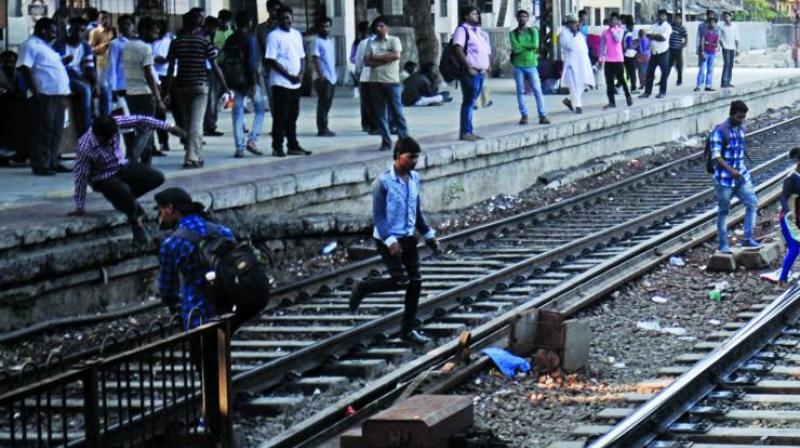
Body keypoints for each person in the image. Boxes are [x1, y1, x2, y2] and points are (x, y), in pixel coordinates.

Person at [349, 137, 440, 345]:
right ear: (398, 156)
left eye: (416, 158)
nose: (414, 162)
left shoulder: (415, 178)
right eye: (410, 158)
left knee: (415, 283)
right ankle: (362, 288)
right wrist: (390, 240)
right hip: (386, 239)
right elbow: (378, 216)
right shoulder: (382, 182)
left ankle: (407, 331)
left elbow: (416, 212)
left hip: (408, 238)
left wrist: (428, 236)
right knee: (401, 280)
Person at [69, 115, 186, 243]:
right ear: (98, 135)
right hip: (101, 177)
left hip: (122, 166)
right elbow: (81, 176)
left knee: (157, 177)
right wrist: (79, 205)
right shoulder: (85, 146)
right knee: (121, 188)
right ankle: (136, 220)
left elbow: (141, 120)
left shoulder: (115, 123)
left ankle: (124, 200)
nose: (110, 142)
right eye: (106, 140)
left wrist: (169, 127)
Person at [156, 187, 235, 327]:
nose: (160, 216)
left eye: (160, 210)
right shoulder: (222, 231)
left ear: (170, 208)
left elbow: (167, 288)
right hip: (228, 307)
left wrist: (173, 304)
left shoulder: (172, 243)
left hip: (197, 314)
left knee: (200, 347)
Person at [164, 10, 232, 169]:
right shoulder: (204, 42)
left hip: (182, 86)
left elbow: (170, 68)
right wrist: (226, 86)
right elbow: (215, 67)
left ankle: (194, 153)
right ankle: (192, 158)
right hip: (200, 86)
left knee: (188, 122)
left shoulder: (176, 42)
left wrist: (166, 91)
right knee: (196, 123)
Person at [17, 17, 71, 176]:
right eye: (52, 31)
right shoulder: (30, 45)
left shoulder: (46, 47)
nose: (54, 34)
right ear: (43, 30)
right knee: (43, 131)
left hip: (58, 94)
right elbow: (24, 69)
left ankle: (52, 160)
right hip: (44, 94)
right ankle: (41, 163)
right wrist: (35, 92)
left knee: (56, 131)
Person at [711, 100, 760, 253]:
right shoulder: (720, 131)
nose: (741, 120)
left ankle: (747, 238)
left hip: (741, 176)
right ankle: (723, 244)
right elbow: (716, 156)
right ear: (732, 114)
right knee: (724, 211)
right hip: (724, 180)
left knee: (752, 203)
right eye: (739, 117)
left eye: (743, 117)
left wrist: (739, 170)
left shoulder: (741, 129)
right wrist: (731, 170)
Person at [119, 17, 168, 164]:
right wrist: (158, 98)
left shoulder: (128, 46)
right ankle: (132, 160)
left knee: (142, 129)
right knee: (145, 130)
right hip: (146, 94)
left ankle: (146, 164)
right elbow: (148, 74)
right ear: (145, 31)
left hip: (131, 93)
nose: (156, 35)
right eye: (153, 32)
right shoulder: (145, 48)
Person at [266, 6, 311, 157]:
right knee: (281, 116)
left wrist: (301, 74)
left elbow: (302, 56)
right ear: (278, 20)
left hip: (296, 82)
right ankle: (277, 145)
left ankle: (293, 144)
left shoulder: (296, 34)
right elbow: (271, 60)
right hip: (281, 82)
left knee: (293, 115)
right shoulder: (273, 36)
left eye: (289, 18)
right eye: (284, 18)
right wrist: (288, 75)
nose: (287, 21)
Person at [224, 11, 266, 158]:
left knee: (237, 113)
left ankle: (239, 147)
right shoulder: (249, 38)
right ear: (250, 23)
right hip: (248, 80)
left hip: (234, 80)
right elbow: (251, 62)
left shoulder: (230, 39)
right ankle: (252, 140)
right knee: (260, 110)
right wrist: (254, 82)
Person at [364, 16, 408, 151]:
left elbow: (396, 56)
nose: (378, 28)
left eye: (381, 26)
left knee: (397, 112)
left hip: (392, 81)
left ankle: (404, 140)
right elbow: (367, 61)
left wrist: (376, 57)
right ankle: (386, 141)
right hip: (375, 82)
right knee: (379, 113)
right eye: (376, 26)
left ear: (387, 27)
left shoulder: (394, 41)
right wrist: (385, 59)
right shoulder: (371, 43)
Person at [52, 17, 97, 136]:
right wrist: (65, 62)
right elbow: (58, 67)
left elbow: (89, 67)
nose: (78, 33)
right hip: (63, 76)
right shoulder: (60, 44)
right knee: (85, 89)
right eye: (75, 29)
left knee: (97, 88)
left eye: (82, 30)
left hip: (77, 76)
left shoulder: (85, 46)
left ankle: (92, 120)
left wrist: (95, 83)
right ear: (69, 30)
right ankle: (86, 131)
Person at [452, 6, 490, 141]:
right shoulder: (462, 30)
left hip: (479, 72)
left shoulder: (477, 32)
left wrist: (487, 65)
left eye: (478, 14)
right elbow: (458, 48)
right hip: (470, 72)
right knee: (468, 102)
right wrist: (468, 67)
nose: (477, 16)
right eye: (474, 14)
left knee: (472, 101)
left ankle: (469, 130)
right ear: (466, 16)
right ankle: (465, 132)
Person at [509, 9, 549, 125]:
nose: (522, 19)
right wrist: (527, 47)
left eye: (525, 17)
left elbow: (535, 45)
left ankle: (542, 115)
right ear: (517, 18)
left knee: (537, 90)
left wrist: (521, 46)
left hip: (532, 65)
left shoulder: (533, 31)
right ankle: (524, 115)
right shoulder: (512, 33)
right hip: (518, 66)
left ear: (528, 19)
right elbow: (515, 48)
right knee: (520, 91)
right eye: (520, 16)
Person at [773, 148, 800, 283]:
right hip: (789, 219)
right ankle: (782, 278)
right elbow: (783, 198)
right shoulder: (791, 179)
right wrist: (788, 211)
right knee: (794, 248)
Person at [559, 14, 594, 114]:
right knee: (573, 85)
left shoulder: (580, 35)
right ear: (568, 24)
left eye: (576, 23)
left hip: (582, 64)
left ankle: (570, 100)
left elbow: (585, 48)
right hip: (571, 64)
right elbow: (568, 46)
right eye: (573, 23)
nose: (575, 25)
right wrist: (574, 35)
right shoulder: (564, 34)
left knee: (583, 83)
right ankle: (577, 105)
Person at [0, 51, 30, 162]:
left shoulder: (19, 74)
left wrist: (8, 93)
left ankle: (21, 153)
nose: (9, 64)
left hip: (15, 106)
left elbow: (22, 93)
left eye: (11, 62)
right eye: (5, 62)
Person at [311, 16, 337, 137]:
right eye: (323, 26)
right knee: (323, 103)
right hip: (323, 77)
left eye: (327, 26)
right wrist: (320, 74)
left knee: (328, 103)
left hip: (331, 77)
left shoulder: (330, 42)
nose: (325, 29)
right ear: (318, 27)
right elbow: (315, 58)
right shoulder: (316, 41)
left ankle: (325, 126)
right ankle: (322, 128)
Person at [599, 12, 632, 109]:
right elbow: (602, 46)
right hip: (608, 60)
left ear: (618, 21)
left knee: (621, 79)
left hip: (618, 59)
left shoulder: (620, 30)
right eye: (611, 20)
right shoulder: (605, 33)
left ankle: (628, 96)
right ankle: (611, 102)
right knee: (609, 81)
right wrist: (600, 58)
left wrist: (613, 30)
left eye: (615, 20)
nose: (613, 22)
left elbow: (617, 40)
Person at [256, 0, 283, 114]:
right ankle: (277, 126)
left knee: (284, 98)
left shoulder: (283, 27)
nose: (276, 13)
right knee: (272, 98)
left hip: (284, 67)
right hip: (268, 68)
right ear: (268, 10)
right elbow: (258, 49)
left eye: (278, 10)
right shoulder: (261, 28)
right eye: (274, 10)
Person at [151, 19, 173, 153]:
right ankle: (156, 142)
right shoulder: (147, 43)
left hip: (165, 77)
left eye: (158, 28)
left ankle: (164, 140)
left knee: (162, 111)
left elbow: (170, 59)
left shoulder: (168, 41)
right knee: (155, 112)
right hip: (153, 77)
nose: (156, 31)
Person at [88, 10, 115, 115]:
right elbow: (91, 50)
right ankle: (105, 117)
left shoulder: (113, 31)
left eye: (107, 18)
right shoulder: (95, 32)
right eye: (102, 18)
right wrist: (105, 45)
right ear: (98, 20)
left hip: (112, 65)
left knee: (111, 93)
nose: (105, 20)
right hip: (101, 65)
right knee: (105, 93)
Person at [640, 10, 671, 99]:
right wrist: (653, 36)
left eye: (663, 16)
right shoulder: (654, 26)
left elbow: (662, 38)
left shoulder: (667, 27)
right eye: (660, 15)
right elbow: (645, 34)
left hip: (663, 52)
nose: (661, 17)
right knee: (649, 73)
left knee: (663, 73)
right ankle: (647, 92)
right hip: (653, 52)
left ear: (666, 17)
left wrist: (652, 36)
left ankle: (662, 92)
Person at [354, 21, 377, 134]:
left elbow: (358, 61)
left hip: (365, 76)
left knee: (366, 101)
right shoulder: (383, 42)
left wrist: (358, 71)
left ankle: (367, 124)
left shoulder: (363, 43)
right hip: (376, 76)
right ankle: (374, 124)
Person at [107, 15, 134, 109]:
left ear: (133, 26)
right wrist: (113, 88)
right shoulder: (115, 44)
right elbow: (112, 66)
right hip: (122, 85)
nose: (125, 27)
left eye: (128, 24)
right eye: (122, 25)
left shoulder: (137, 42)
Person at [202, 16, 223, 137]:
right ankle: (209, 125)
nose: (214, 30)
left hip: (209, 68)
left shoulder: (208, 36)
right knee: (210, 99)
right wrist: (217, 51)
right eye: (213, 28)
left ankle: (210, 124)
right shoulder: (203, 37)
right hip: (207, 69)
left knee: (211, 99)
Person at [695, 17, 719, 92]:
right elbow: (702, 42)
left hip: (712, 53)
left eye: (714, 22)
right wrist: (702, 51)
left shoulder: (716, 33)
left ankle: (708, 85)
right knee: (702, 69)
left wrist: (708, 43)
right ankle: (698, 85)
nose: (712, 24)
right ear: (708, 23)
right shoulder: (705, 32)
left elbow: (716, 44)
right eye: (710, 22)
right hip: (705, 52)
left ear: (715, 24)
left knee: (710, 70)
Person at [719, 11, 739, 88]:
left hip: (732, 47)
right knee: (726, 63)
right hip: (725, 47)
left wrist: (737, 49)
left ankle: (728, 81)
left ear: (731, 17)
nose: (726, 18)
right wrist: (722, 45)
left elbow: (737, 38)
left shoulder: (734, 26)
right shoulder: (721, 26)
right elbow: (719, 37)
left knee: (731, 64)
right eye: (725, 17)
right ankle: (724, 81)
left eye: (727, 16)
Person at [668, 14, 687, 86]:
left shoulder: (682, 28)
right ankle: (663, 80)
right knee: (668, 65)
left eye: (678, 18)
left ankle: (679, 80)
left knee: (679, 66)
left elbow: (685, 38)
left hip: (678, 49)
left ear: (680, 20)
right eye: (675, 18)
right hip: (670, 49)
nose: (676, 20)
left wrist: (683, 45)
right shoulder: (671, 27)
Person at [623, 15, 638, 93]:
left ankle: (617, 86)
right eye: (632, 26)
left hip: (626, 55)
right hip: (629, 56)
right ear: (629, 26)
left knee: (628, 73)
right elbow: (629, 45)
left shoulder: (625, 32)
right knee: (632, 74)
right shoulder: (628, 34)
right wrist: (635, 46)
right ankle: (633, 88)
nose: (633, 28)